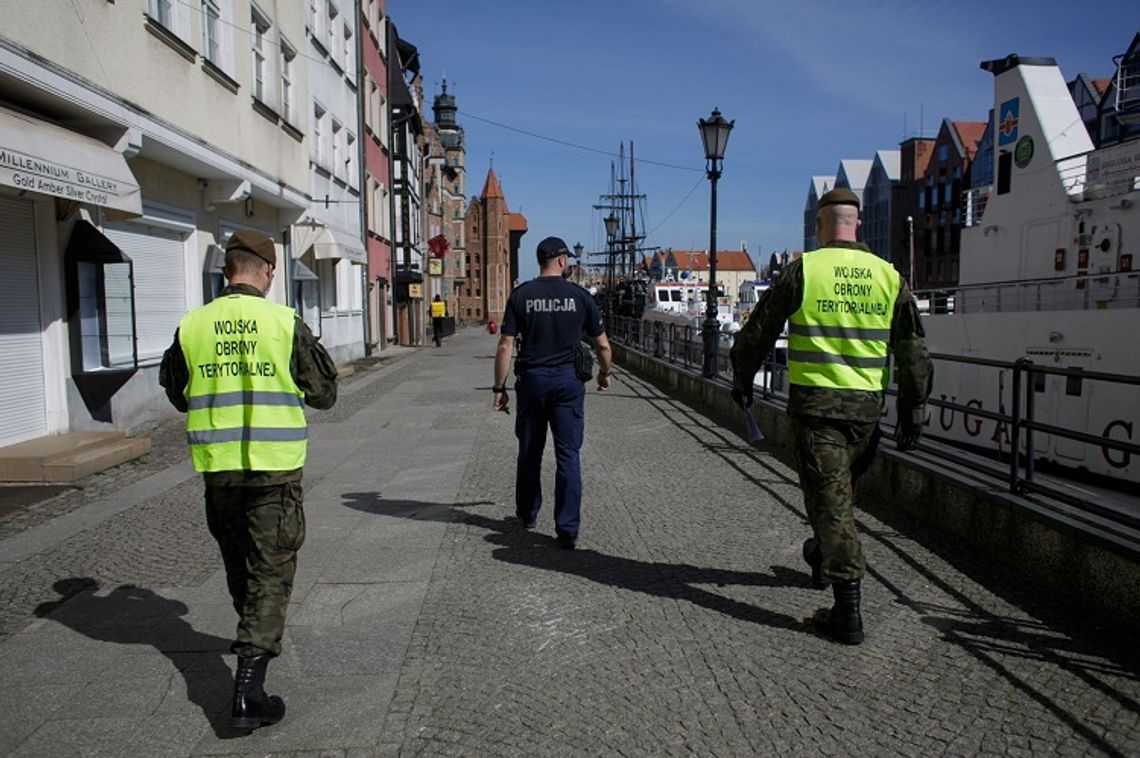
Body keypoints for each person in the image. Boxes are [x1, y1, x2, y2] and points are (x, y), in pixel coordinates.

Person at [730, 188, 932, 645]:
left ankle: (847, 613)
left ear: (820, 225)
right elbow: (914, 349)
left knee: (833, 504)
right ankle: (821, 554)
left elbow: (759, 330)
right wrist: (913, 408)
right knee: (837, 496)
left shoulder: (806, 269)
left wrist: (742, 380)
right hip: (866, 415)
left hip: (818, 411)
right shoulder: (889, 276)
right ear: (856, 223)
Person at [159, 230, 338, 729]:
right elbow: (324, 394)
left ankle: (251, 668)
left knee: (242, 571)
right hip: (272, 472)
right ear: (266, 271)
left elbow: (177, 393)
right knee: (270, 575)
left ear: (226, 271)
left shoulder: (193, 325)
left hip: (218, 473)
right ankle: (246, 694)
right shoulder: (283, 322)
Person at [493, 236, 612, 549]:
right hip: (568, 383)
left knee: (530, 450)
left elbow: (505, 344)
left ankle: (528, 513)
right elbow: (602, 344)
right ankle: (567, 529)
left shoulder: (521, 295)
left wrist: (499, 387)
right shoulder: (579, 296)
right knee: (568, 455)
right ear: (561, 260)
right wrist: (605, 373)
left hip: (532, 382)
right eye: (568, 259)